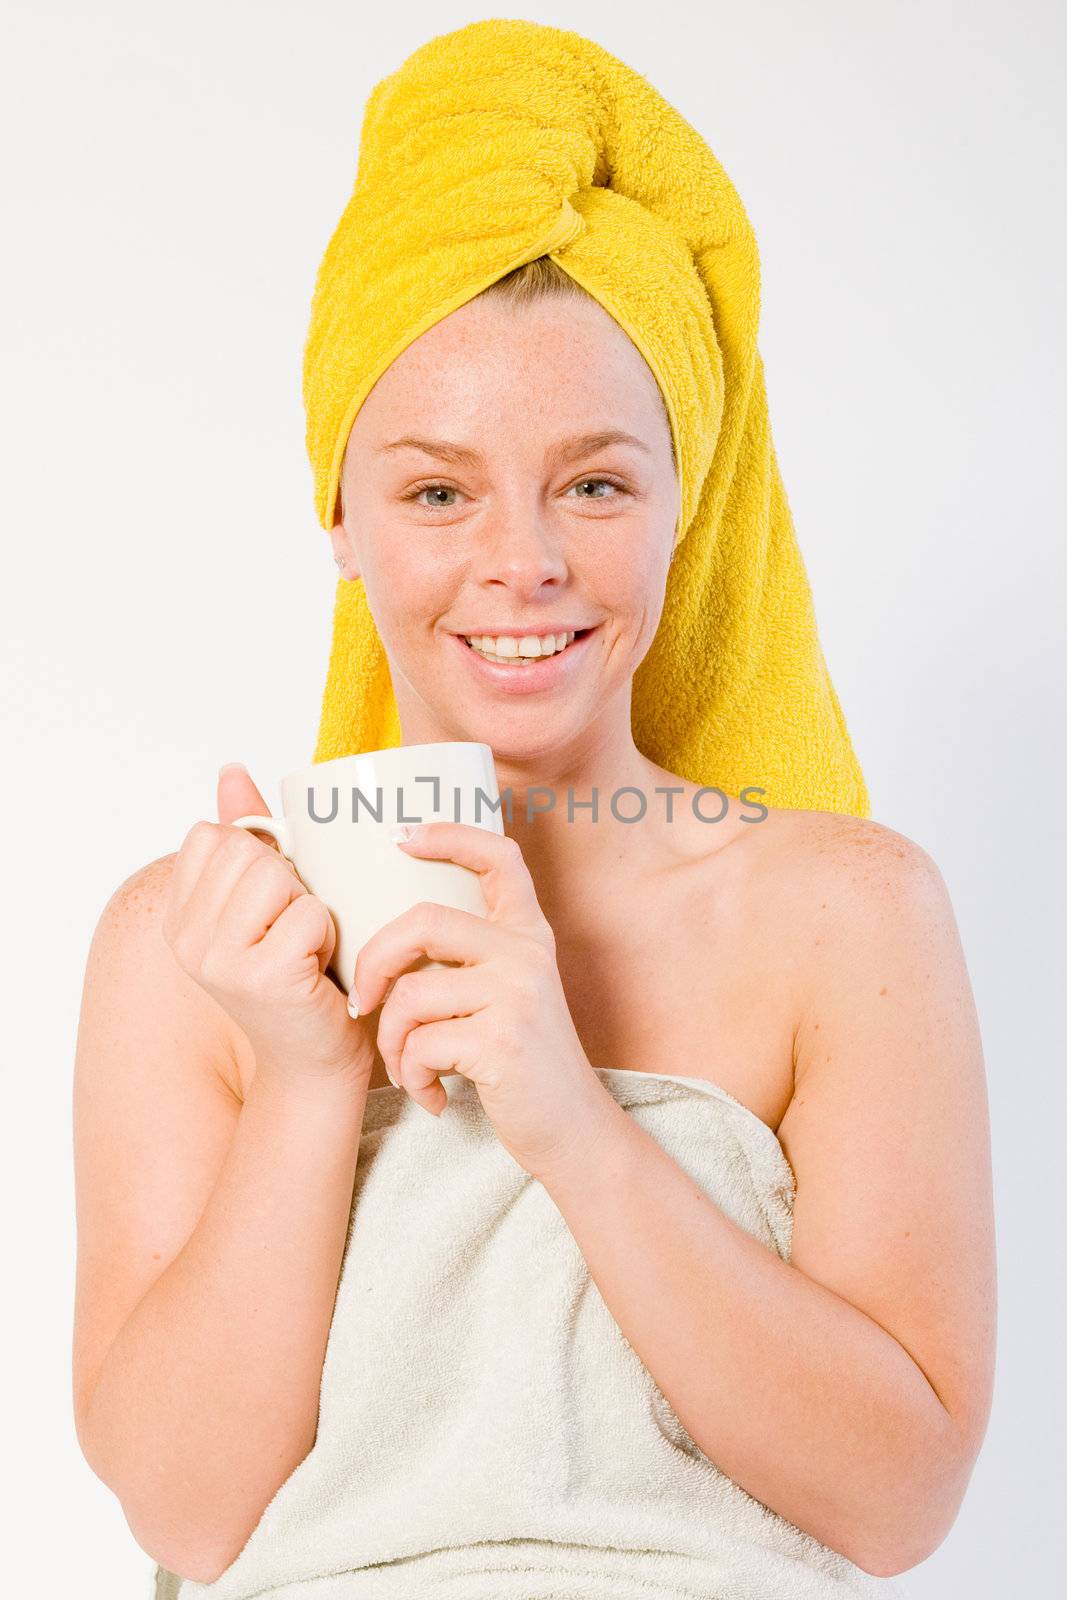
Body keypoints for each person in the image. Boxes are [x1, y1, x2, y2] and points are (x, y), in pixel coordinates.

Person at [71, 21, 996, 1600]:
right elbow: (185, 1519)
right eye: (438, 491)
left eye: (595, 483)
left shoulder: (852, 911)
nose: (526, 561)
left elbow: (899, 1503)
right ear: (343, 522)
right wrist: (309, 1080)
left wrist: (567, 1114)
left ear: (680, 503)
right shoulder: (191, 947)